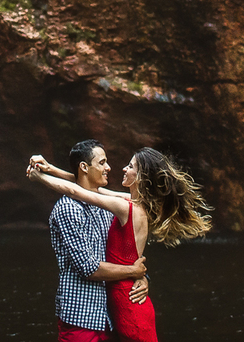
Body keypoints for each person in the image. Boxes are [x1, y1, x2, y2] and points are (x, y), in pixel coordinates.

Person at [28, 144, 213, 342]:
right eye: (103, 162)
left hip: (122, 308)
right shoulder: (129, 202)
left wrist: (41, 178)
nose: (120, 168)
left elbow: (79, 191)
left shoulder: (123, 207)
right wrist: (52, 169)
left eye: (130, 167)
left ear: (141, 178)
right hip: (104, 309)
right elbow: (88, 187)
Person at [34, 139, 149, 342]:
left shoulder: (108, 206)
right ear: (84, 167)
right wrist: (134, 271)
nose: (109, 168)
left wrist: (141, 278)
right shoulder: (68, 209)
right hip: (81, 318)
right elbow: (88, 268)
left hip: (111, 316)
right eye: (102, 163)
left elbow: (121, 253)